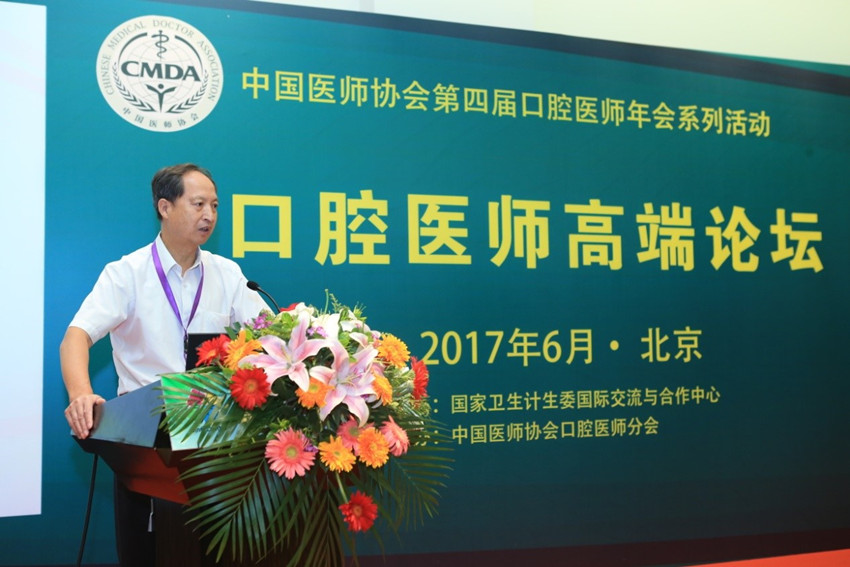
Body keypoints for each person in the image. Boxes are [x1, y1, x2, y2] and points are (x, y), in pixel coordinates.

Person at [60, 163, 270, 566]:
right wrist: (81, 394)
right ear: (165, 207)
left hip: (216, 444)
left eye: (214, 205)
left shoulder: (228, 275)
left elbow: (270, 336)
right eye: (198, 204)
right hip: (144, 445)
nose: (209, 214)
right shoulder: (126, 274)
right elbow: (76, 337)